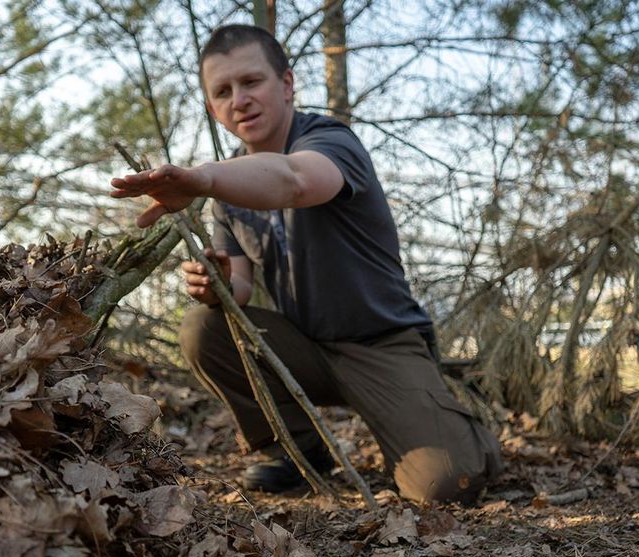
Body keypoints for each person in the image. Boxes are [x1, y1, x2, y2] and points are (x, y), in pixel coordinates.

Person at [110, 24, 503, 503]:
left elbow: (295, 180)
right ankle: (296, 452)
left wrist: (203, 178)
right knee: (201, 328)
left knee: (449, 484)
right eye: (223, 91)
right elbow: (240, 290)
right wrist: (216, 286)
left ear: (288, 85)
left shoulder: (331, 140)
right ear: (213, 108)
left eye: (252, 82)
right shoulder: (226, 192)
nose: (240, 100)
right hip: (306, 348)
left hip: (382, 345)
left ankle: (458, 428)